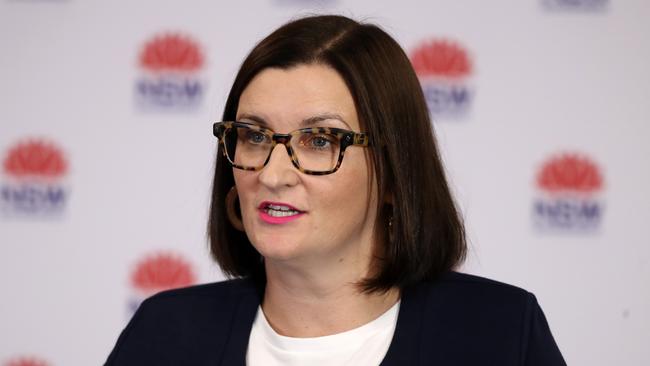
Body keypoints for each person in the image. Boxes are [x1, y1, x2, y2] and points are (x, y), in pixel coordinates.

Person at [105, 15, 566, 365]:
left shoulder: (499, 333)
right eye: (254, 135)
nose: (273, 174)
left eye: (320, 141)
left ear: (392, 172)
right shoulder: (163, 336)